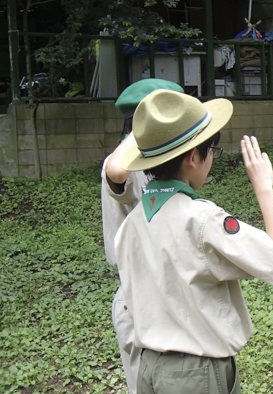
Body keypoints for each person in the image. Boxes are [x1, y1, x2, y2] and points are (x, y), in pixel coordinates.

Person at [113, 89, 273, 393]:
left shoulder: (131, 223)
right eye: (212, 148)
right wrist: (264, 188)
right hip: (195, 375)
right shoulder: (202, 222)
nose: (213, 156)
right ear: (192, 158)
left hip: (148, 369)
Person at [101, 78, 186, 393]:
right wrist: (145, 129)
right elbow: (115, 173)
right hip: (138, 293)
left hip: (163, 290)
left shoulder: (156, 164)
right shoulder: (128, 164)